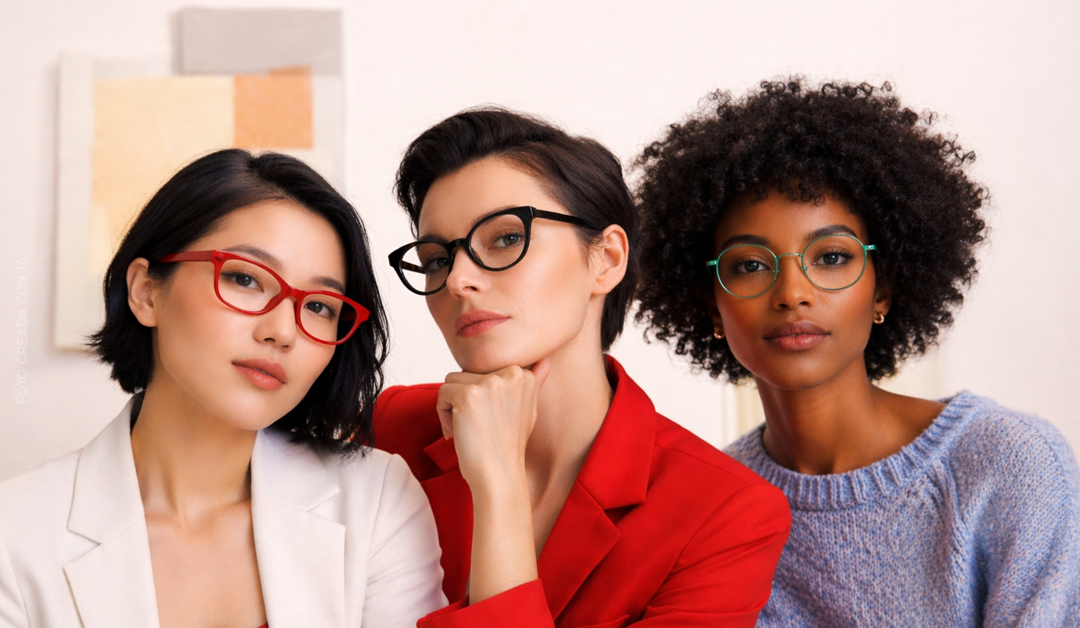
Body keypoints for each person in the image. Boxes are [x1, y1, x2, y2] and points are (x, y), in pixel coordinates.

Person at [633, 78, 1080, 626]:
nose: (793, 292)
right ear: (711, 306)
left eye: (832, 257)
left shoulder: (1007, 464)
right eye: (749, 264)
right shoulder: (711, 509)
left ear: (883, 289)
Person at [374, 108, 791, 628]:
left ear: (607, 258)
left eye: (505, 238)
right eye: (437, 258)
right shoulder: (390, 431)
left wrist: (498, 487)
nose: (458, 279)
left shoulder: (725, 515)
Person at [0, 149, 445, 627]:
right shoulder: (16, 531)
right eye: (244, 279)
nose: (283, 331)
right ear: (146, 292)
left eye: (319, 306)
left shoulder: (376, 500)